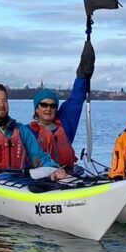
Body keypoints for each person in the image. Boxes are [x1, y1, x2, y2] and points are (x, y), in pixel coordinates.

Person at [28, 41, 96, 169]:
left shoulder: (65, 124)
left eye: (53, 106)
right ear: (36, 109)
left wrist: (83, 74)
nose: (48, 108)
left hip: (67, 175)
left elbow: (76, 99)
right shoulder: (27, 132)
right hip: (39, 178)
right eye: (44, 105)